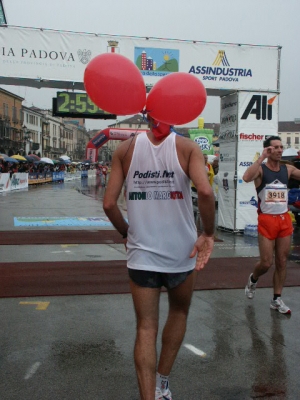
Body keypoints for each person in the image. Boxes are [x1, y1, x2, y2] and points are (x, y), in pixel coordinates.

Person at [103, 115, 215, 400]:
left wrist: (127, 234)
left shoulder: (124, 150)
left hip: (142, 255)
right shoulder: (188, 147)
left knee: (145, 327)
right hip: (182, 252)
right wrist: (209, 233)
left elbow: (108, 204)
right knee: (178, 313)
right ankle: (162, 384)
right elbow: (204, 190)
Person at [243, 135, 300, 314]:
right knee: (266, 263)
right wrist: (261, 157)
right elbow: (246, 177)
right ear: (268, 150)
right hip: (267, 220)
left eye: (281, 147)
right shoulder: (260, 170)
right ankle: (253, 279)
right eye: (275, 147)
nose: (279, 150)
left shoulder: (287, 169)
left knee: (282, 261)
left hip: (283, 219)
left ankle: (276, 299)